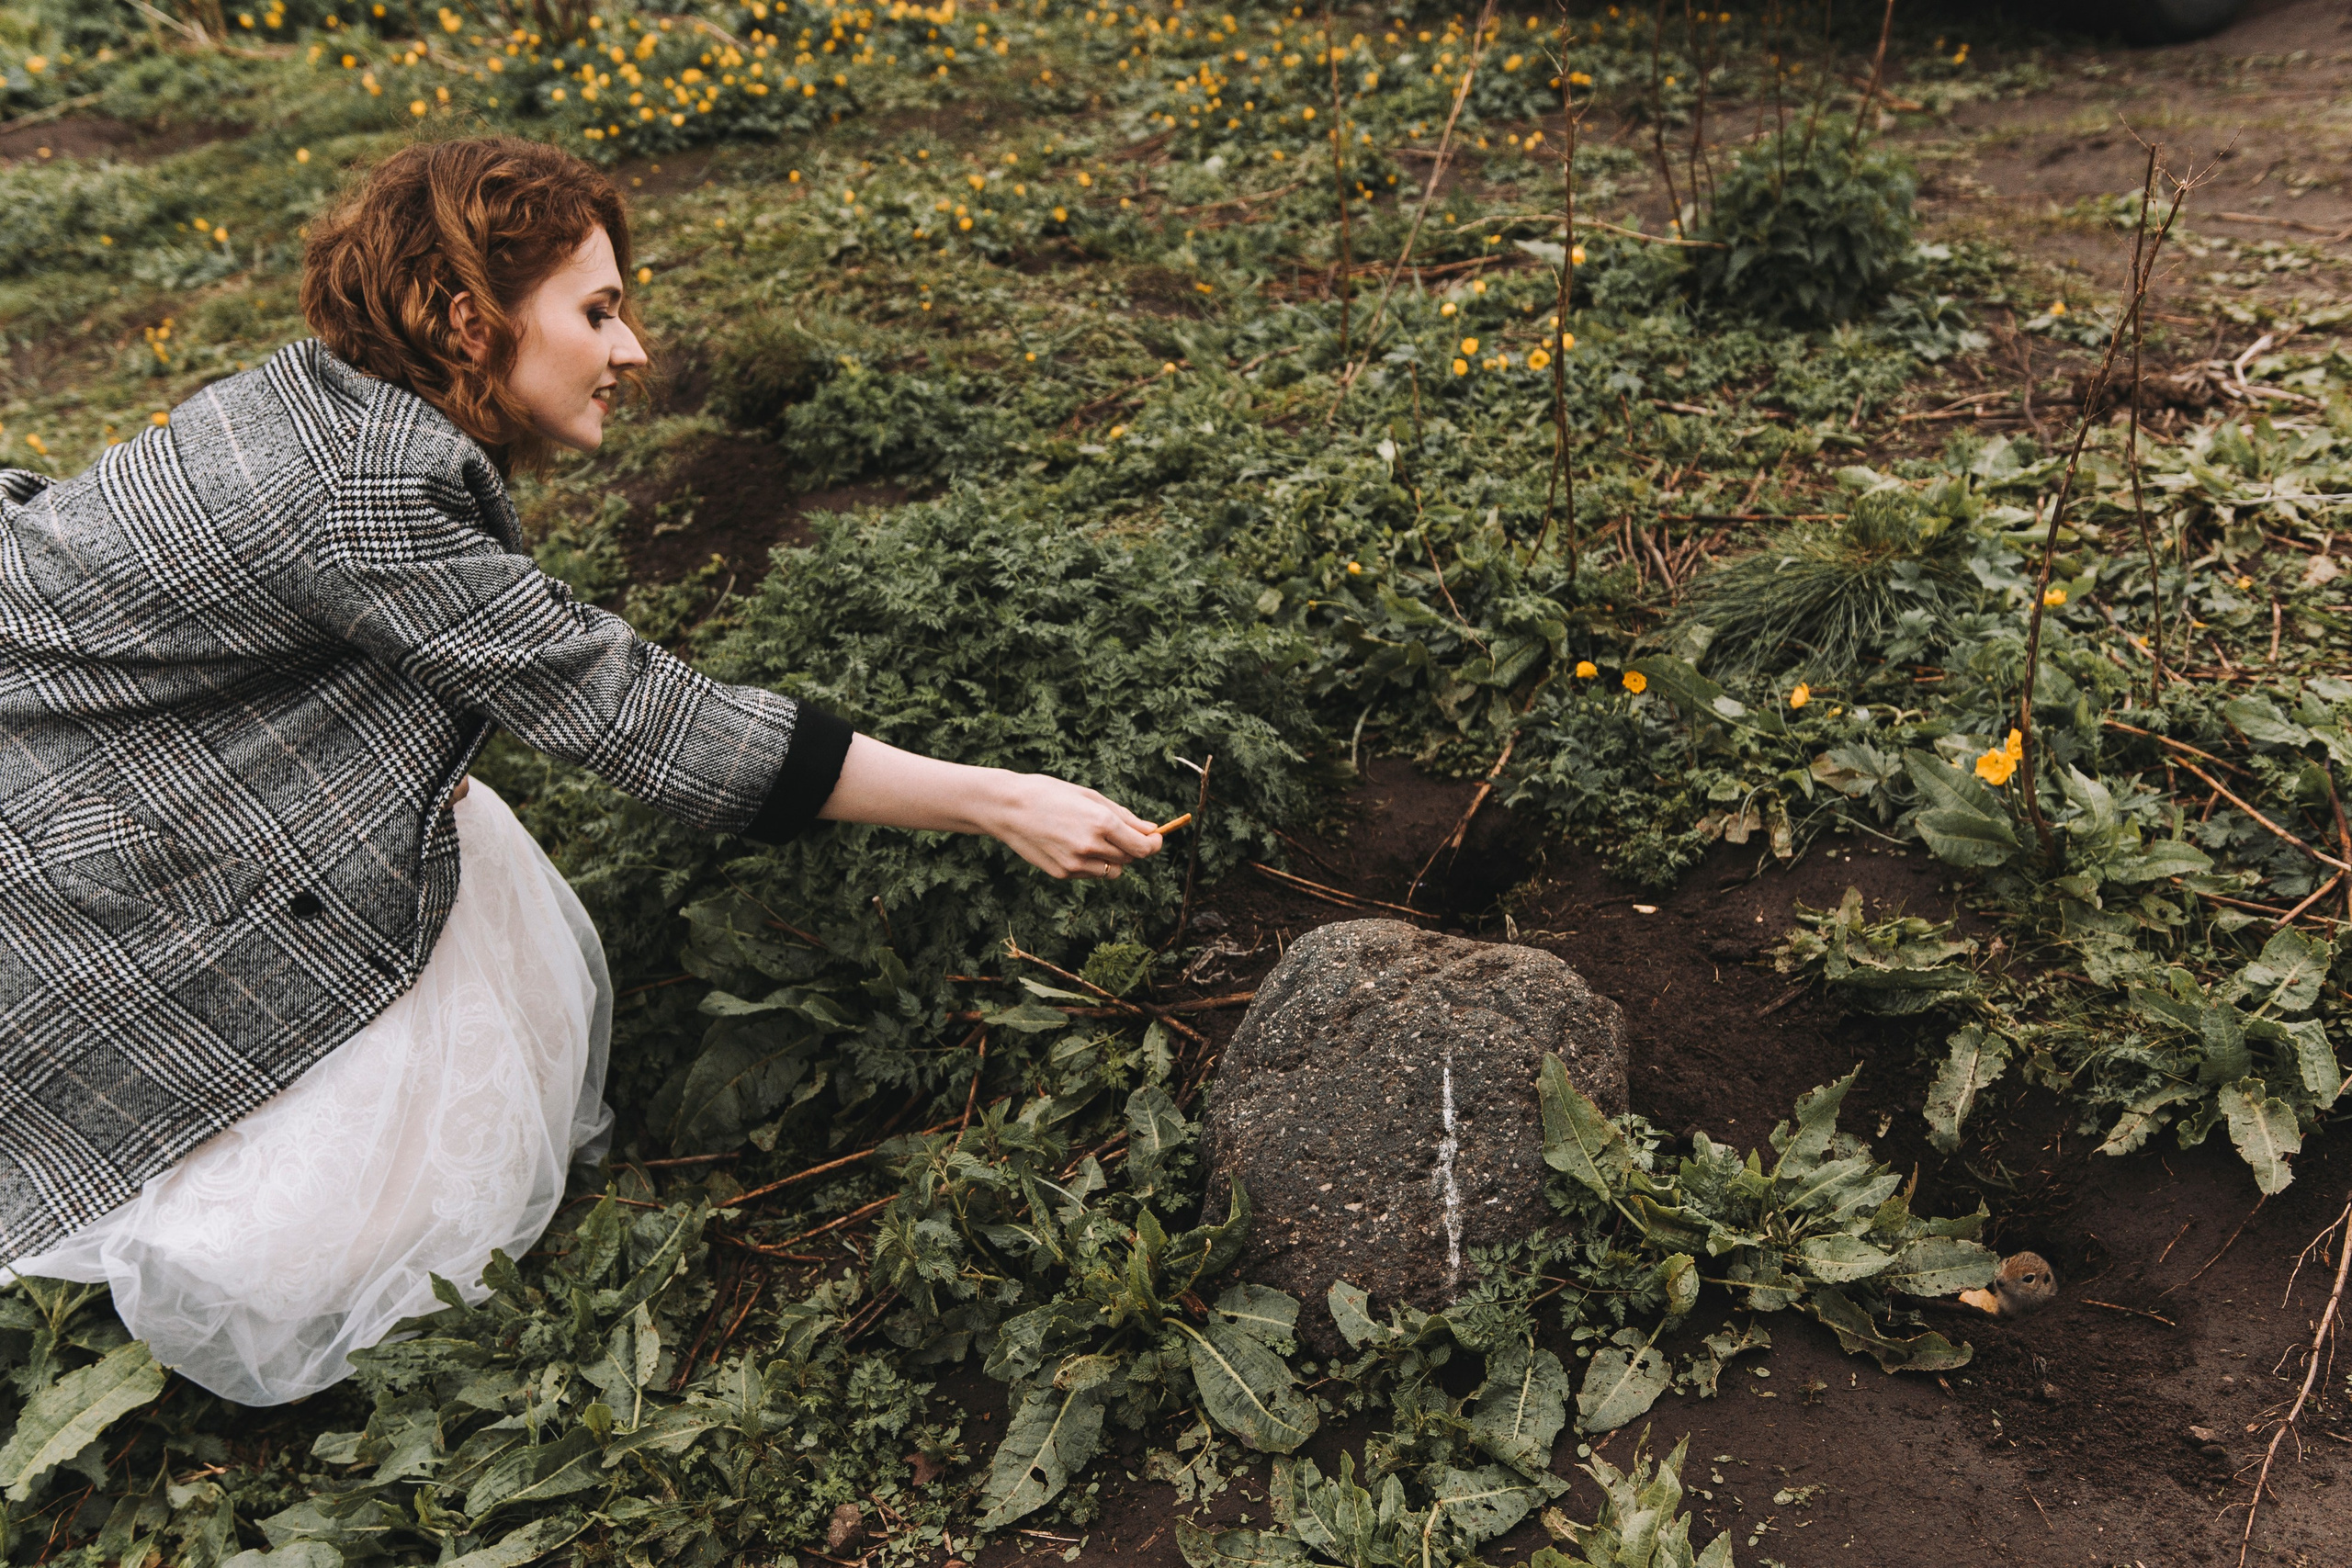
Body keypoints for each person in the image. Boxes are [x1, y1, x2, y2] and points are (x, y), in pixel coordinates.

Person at [0, 137, 1164, 1406]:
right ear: (467, 318)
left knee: (451, 819)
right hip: (59, 837)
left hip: (80, 763)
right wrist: (999, 799)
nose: (634, 350)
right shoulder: (368, 489)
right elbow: (638, 715)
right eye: (598, 312)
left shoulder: (313, 403)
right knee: (308, 1233)